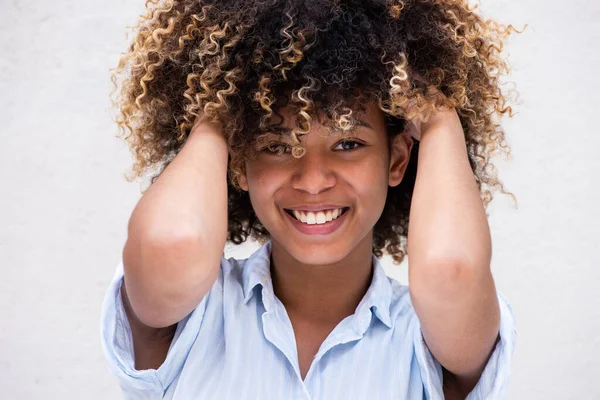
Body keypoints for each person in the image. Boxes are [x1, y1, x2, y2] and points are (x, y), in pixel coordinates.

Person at [100, 0, 521, 399]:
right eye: (277, 147)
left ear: (396, 161)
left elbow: (451, 269)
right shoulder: (192, 314)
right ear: (238, 164)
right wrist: (219, 105)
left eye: (348, 144)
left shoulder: (429, 335)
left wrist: (438, 116)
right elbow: (173, 242)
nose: (314, 180)